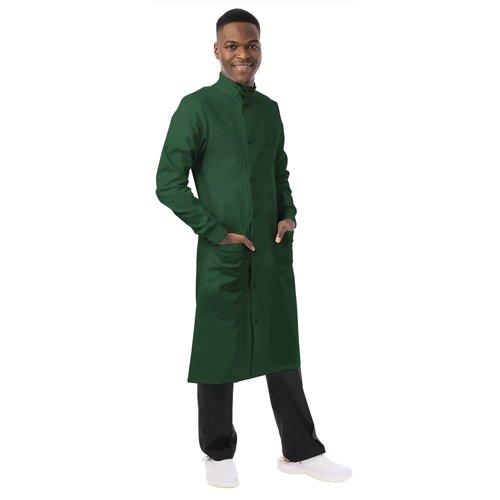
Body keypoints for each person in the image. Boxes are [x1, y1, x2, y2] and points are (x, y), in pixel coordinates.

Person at [155, 8, 352, 488]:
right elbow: (168, 183)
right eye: (232, 46)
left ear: (261, 48)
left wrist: (288, 214)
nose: (243, 54)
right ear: (216, 51)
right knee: (217, 350)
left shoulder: (269, 110)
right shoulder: (197, 107)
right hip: (223, 253)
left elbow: (278, 172)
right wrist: (215, 231)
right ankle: (218, 452)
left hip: (271, 249)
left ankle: (301, 451)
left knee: (282, 349)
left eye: (251, 45)